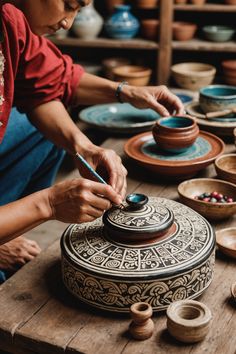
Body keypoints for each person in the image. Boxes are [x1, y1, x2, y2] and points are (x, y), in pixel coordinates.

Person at [0, 0, 184, 281]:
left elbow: (45, 82)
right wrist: (47, 205)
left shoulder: (10, 18)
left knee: (44, 130)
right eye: (69, 5)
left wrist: (84, 147)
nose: (67, 23)